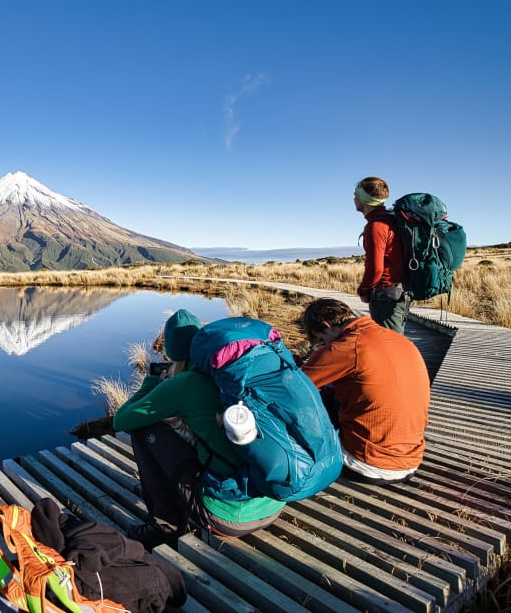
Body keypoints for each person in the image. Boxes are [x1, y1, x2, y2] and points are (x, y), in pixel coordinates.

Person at [112, 309, 284, 549]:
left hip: (229, 518)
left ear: (173, 353)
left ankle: (166, 525)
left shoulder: (186, 383)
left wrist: (150, 382)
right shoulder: (230, 372)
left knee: (144, 428)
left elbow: (121, 420)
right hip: (273, 500)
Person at [298, 298, 430, 484]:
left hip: (369, 463)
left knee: (303, 404)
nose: (324, 345)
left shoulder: (345, 346)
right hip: (411, 459)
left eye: (321, 340)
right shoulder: (398, 339)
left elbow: (292, 386)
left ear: (326, 325)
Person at [354, 176, 410, 334]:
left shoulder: (376, 226)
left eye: (356, 195)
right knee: (394, 340)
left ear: (364, 199)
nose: (353, 199)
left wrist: (363, 291)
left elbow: (376, 268)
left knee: (390, 343)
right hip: (399, 291)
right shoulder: (390, 219)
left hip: (386, 293)